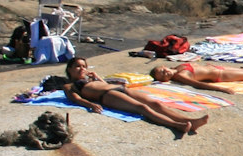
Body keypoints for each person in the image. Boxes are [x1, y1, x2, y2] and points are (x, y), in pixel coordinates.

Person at [62, 57, 209, 136]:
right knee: (142, 108)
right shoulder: (69, 85)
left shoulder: (90, 79)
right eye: (78, 66)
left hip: (119, 89)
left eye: (84, 66)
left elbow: (104, 83)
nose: (82, 69)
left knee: (156, 104)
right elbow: (75, 98)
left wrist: (97, 77)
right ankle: (177, 125)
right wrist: (90, 105)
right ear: (69, 69)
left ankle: (189, 121)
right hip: (108, 95)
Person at [150, 61, 243, 89]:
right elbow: (199, 84)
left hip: (219, 68)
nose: (165, 73)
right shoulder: (180, 75)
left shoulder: (179, 66)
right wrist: (222, 90)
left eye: (162, 70)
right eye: (163, 76)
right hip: (220, 77)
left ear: (164, 66)